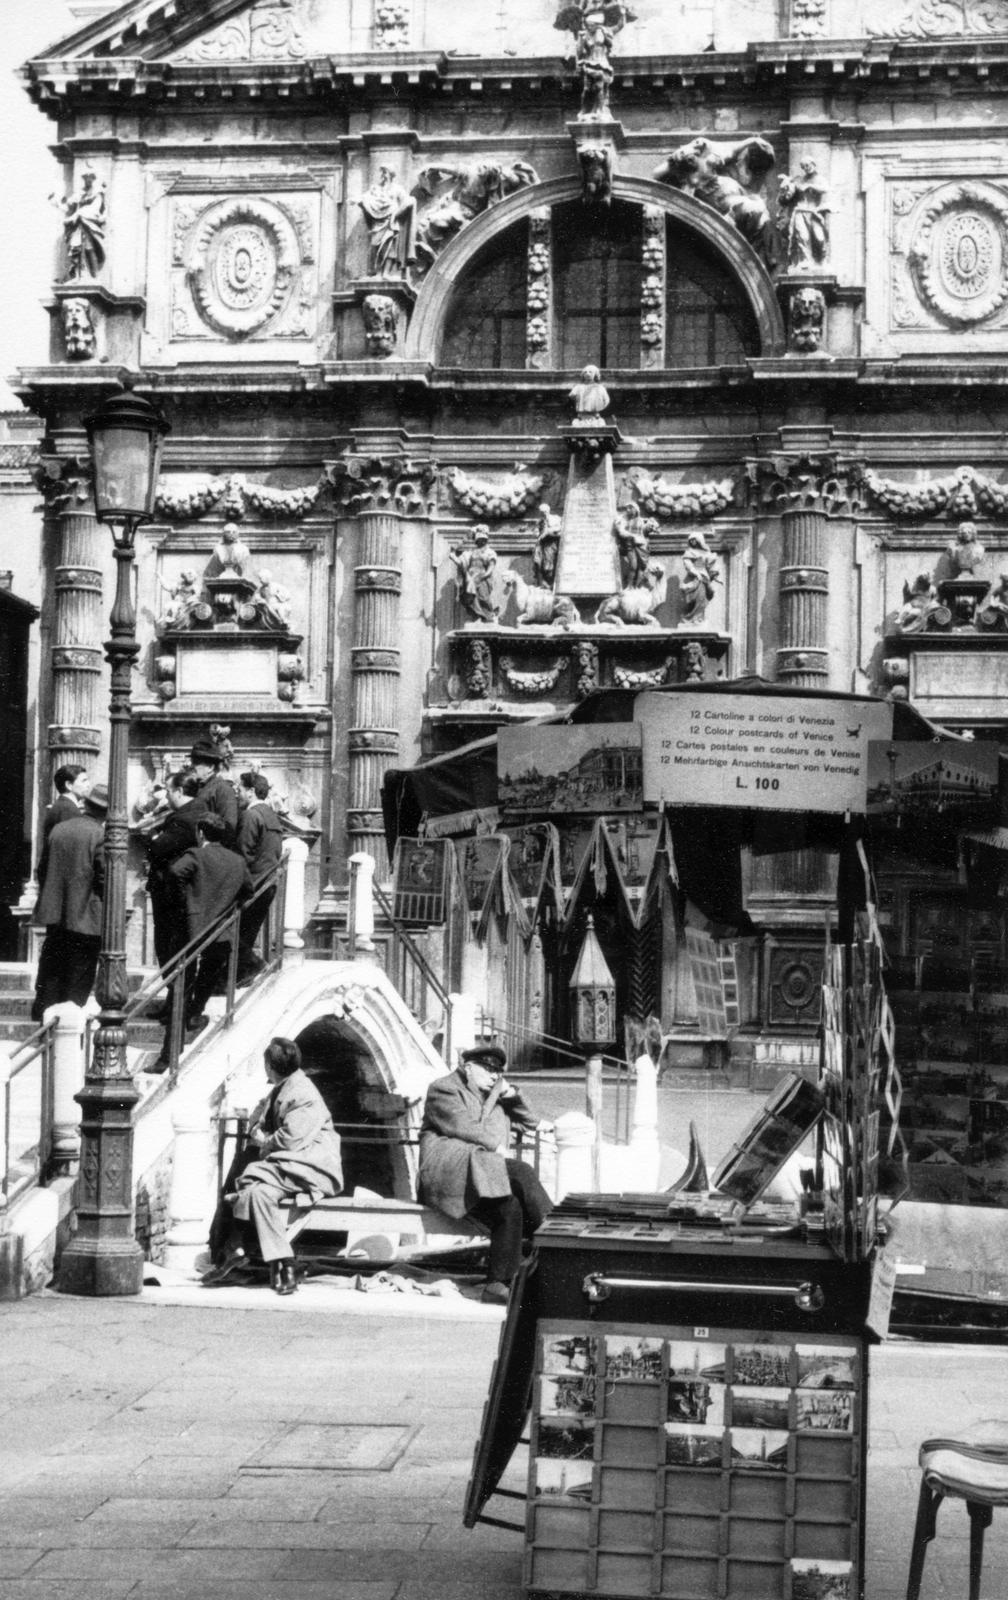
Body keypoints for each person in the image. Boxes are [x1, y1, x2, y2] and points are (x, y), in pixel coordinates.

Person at [203, 1037, 343, 1296]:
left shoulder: (303, 1093)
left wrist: (263, 1139)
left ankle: (244, 1255)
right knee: (256, 1193)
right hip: (287, 1167)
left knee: (249, 1178)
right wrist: (258, 1127)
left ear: (269, 1066)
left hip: (311, 1167)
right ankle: (284, 1265)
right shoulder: (283, 1088)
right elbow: (259, 1118)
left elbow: (291, 1140)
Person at [418, 1043, 554, 1303]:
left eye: (498, 1071)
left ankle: (497, 1285)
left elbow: (529, 1121)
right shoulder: (444, 1088)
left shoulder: (493, 1096)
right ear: (468, 1068)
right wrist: (496, 1146)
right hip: (449, 1174)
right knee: (521, 1171)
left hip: (482, 1178)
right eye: (487, 1069)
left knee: (509, 1207)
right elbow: (461, 1125)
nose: (494, 1075)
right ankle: (558, 1238)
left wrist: (510, 1093)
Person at [164, 815, 252, 1049]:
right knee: (209, 973)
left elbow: (175, 873)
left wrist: (186, 901)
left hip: (192, 929)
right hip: (221, 931)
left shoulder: (196, 855)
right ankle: (195, 1012)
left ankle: (170, 1051)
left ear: (201, 833)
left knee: (182, 987)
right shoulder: (237, 861)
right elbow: (248, 890)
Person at [31, 783, 108, 1021]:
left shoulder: (59, 829)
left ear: (85, 804)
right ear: (106, 813)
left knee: (53, 969)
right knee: (79, 975)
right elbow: (104, 877)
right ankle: (67, 1028)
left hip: (56, 916)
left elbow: (42, 869)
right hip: (86, 916)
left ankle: (44, 1018)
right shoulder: (100, 834)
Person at [145, 772, 208, 975]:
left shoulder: (183, 819)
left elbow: (157, 849)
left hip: (170, 891)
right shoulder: (200, 810)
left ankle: (176, 999)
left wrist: (153, 836)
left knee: (169, 945)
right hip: (185, 890)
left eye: (168, 791)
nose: (166, 797)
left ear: (180, 792)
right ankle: (177, 998)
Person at [235, 772, 284, 982]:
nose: (237, 792)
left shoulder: (250, 816)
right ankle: (239, 976)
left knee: (230, 935)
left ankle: (255, 966)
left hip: (251, 884)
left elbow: (242, 855)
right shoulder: (272, 815)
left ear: (251, 791)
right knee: (245, 935)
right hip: (267, 883)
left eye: (239, 789)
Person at [37, 764, 91, 891]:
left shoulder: (63, 807)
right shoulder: (68, 810)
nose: (88, 784)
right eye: (84, 780)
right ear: (69, 785)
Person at [359, 163, 417, 278]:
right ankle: (377, 272)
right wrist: (359, 201)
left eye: (385, 172)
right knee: (375, 245)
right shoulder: (376, 188)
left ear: (390, 174)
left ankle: (386, 273)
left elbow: (408, 202)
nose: (383, 175)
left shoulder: (397, 189)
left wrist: (396, 214)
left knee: (390, 246)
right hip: (378, 221)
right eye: (382, 172)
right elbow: (365, 198)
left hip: (391, 222)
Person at [188, 741, 239, 848]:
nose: (191, 766)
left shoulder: (222, 789)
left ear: (210, 767)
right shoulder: (199, 787)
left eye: (196, 762)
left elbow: (229, 828)